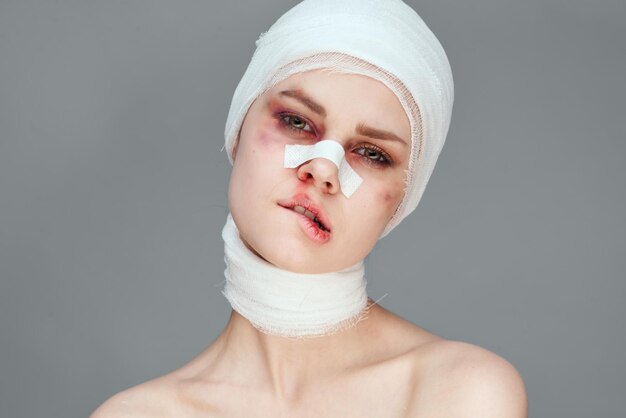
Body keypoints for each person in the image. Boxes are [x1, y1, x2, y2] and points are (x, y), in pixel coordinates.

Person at [92, 0, 527, 416]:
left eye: (372, 154)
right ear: (238, 129)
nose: (323, 169)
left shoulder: (461, 394)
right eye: (297, 122)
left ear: (402, 201)